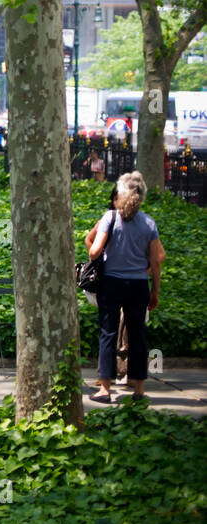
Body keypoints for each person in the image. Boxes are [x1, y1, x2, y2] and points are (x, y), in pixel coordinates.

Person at [87, 171, 164, 403]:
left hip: (111, 283)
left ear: (120, 193)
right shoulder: (149, 223)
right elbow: (157, 260)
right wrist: (155, 290)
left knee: (108, 333)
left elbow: (93, 251)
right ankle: (139, 390)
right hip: (139, 285)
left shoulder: (110, 217)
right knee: (138, 335)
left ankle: (105, 390)